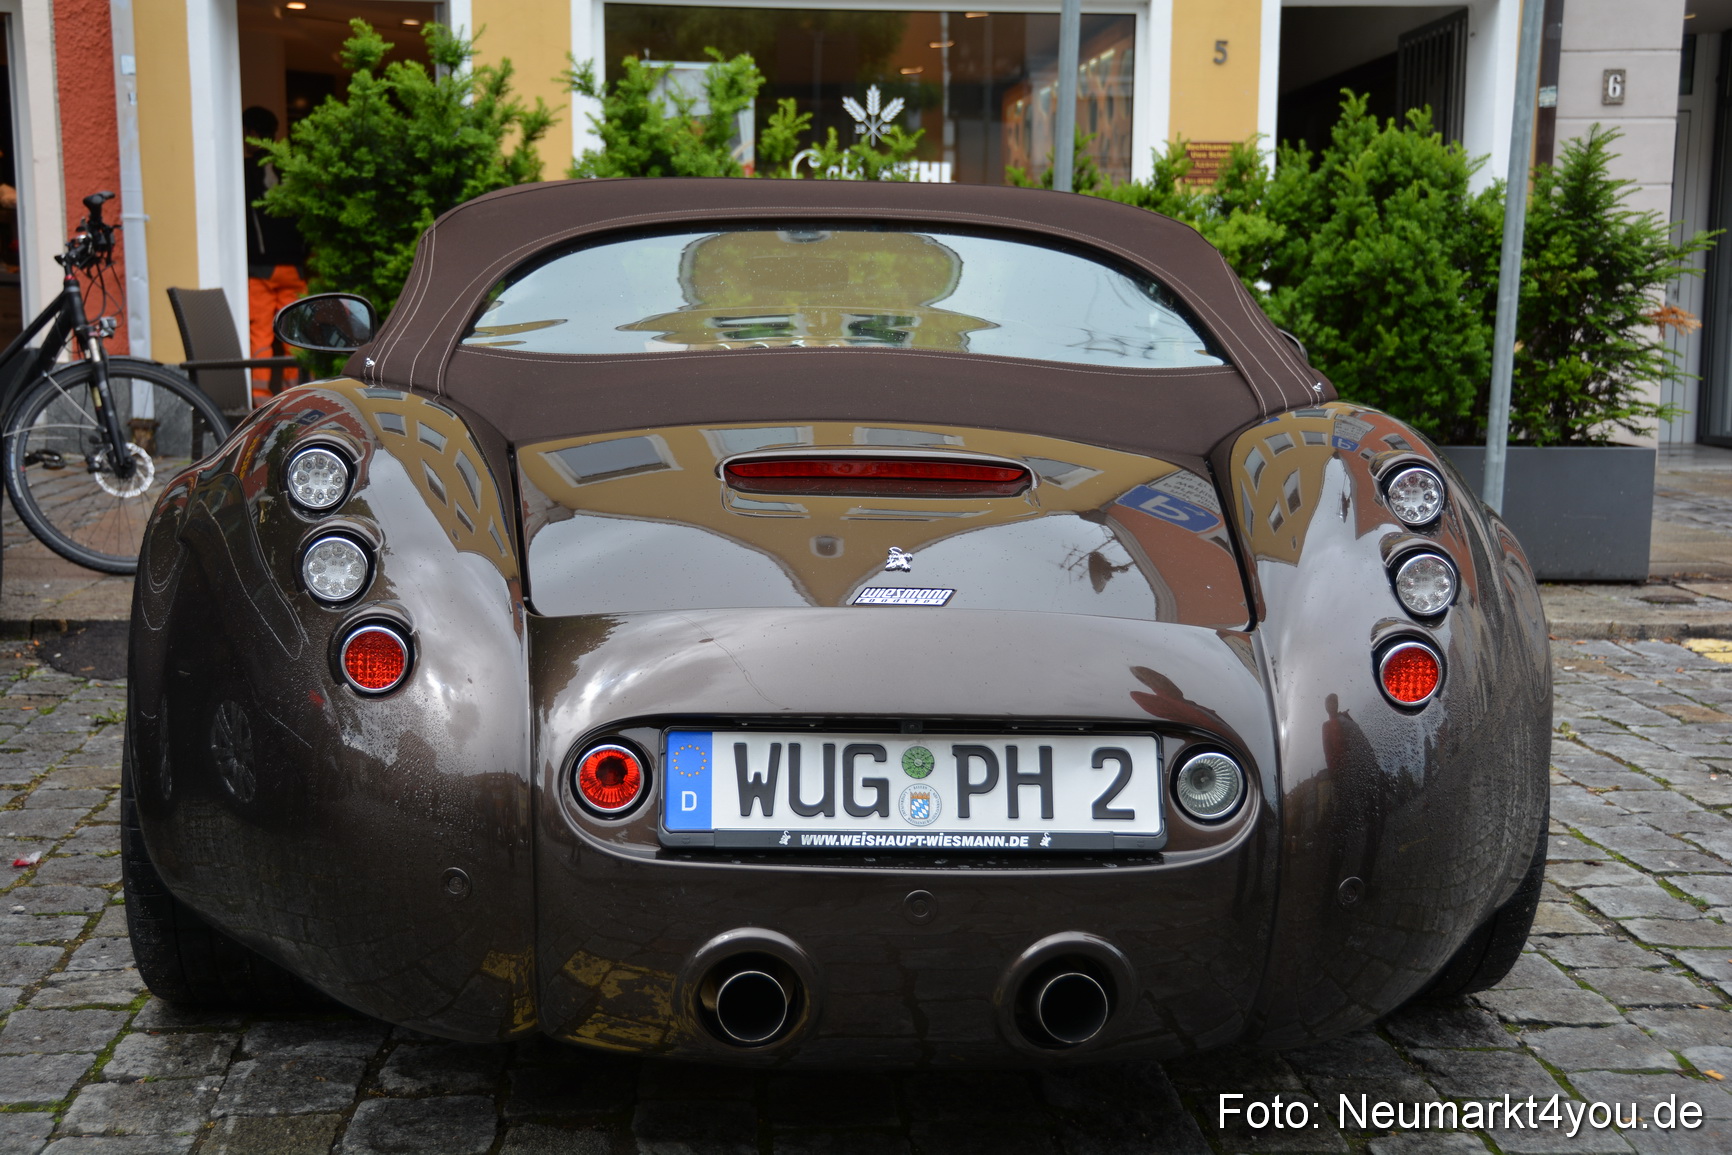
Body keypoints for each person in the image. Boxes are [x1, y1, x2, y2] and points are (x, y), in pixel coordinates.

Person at [243, 106, 306, 403]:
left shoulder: (244, 171)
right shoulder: (292, 169)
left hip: (260, 268)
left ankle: (260, 398)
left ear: (252, 133)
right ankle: (300, 394)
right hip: (294, 267)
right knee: (296, 334)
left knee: (261, 336)